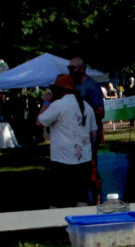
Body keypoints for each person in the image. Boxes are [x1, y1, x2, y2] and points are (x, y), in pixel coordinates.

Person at [36, 74, 98, 207]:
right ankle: (81, 225)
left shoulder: (59, 105)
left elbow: (39, 121)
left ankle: (57, 226)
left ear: (59, 90)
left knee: (58, 200)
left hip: (62, 160)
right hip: (84, 160)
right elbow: (94, 133)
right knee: (81, 198)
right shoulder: (86, 106)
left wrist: (46, 102)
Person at [68, 56, 106, 204]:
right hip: (75, 135)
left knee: (91, 167)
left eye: (72, 68)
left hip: (90, 135)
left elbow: (101, 112)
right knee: (79, 168)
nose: (70, 71)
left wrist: (83, 113)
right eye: (69, 68)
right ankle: (82, 198)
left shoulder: (91, 86)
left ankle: (97, 199)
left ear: (82, 69)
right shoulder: (72, 85)